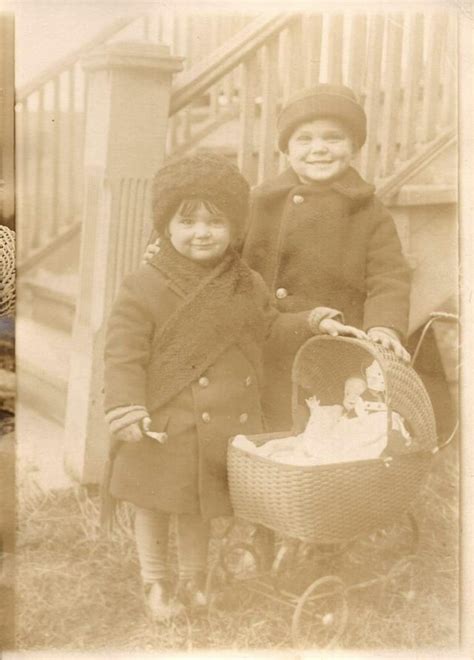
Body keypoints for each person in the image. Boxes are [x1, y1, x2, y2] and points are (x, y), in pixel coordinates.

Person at [102, 152, 365, 622]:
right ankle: (155, 580)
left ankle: (194, 580)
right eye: (187, 222)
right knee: (154, 505)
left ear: (235, 228)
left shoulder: (245, 282)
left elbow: (267, 329)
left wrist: (312, 319)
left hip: (215, 426)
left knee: (197, 507)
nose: (201, 233)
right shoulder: (143, 285)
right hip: (165, 420)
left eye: (214, 222)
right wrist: (125, 405)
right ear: (165, 226)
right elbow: (123, 352)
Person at [242, 84, 412, 430]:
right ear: (286, 149)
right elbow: (217, 243)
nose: (318, 149)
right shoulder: (259, 201)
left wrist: (383, 325)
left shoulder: (368, 210)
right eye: (304, 139)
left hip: (333, 347)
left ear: (353, 147)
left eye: (333, 138)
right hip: (263, 342)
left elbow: (388, 276)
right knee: (265, 433)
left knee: (323, 431)